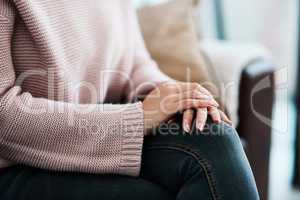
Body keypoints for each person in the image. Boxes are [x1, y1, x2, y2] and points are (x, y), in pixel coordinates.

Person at [0, 0, 259, 199]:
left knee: (214, 136)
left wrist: (172, 93)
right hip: (17, 163)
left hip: (96, 132)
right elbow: (3, 114)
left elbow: (135, 62)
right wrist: (141, 117)